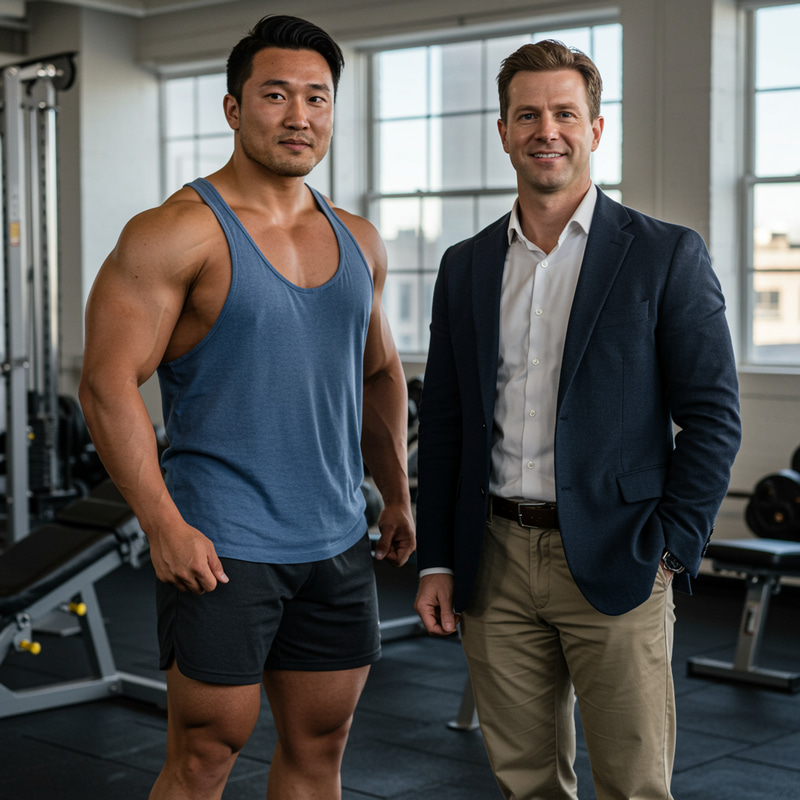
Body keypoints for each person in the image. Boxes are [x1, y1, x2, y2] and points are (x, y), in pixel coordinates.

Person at [79, 14, 415, 800]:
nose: (299, 116)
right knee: (204, 755)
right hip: (222, 542)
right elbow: (106, 382)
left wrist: (396, 492)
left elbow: (380, 371)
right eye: (275, 95)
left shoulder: (359, 239)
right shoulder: (174, 234)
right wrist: (163, 525)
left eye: (317, 98)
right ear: (233, 108)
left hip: (337, 537)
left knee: (320, 749)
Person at [413, 39, 741, 800]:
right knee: (525, 785)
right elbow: (449, 422)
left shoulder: (665, 255)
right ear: (503, 131)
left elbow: (713, 417)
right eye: (527, 115)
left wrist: (672, 548)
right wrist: (437, 559)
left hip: (621, 556)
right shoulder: (465, 265)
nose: (546, 131)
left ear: (595, 128)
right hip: (492, 560)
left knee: (634, 787)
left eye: (565, 113)